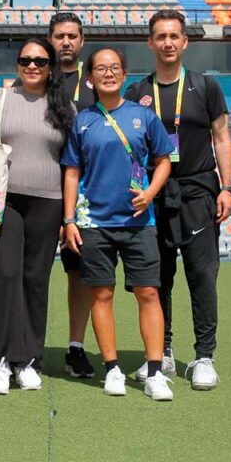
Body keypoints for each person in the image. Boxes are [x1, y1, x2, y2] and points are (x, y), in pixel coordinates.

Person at [124, 9, 231, 391]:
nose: (168, 42)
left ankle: (204, 356)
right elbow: (132, 148)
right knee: (158, 277)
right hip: (155, 195)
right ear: (150, 43)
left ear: (185, 42)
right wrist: (138, 190)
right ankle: (163, 351)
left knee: (202, 275)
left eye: (174, 36)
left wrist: (227, 187)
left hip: (198, 190)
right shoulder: (137, 91)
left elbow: (221, 137)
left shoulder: (206, 86)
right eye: (161, 36)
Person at [61, 47, 175, 401]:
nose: (108, 74)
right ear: (90, 79)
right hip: (94, 222)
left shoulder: (145, 116)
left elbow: (164, 159)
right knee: (102, 293)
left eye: (114, 68)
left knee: (149, 292)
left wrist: (152, 192)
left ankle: (155, 371)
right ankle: (112, 369)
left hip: (140, 221)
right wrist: (68, 220)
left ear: (124, 75)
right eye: (100, 69)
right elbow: (72, 171)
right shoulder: (82, 121)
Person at [0, 37, 74, 395]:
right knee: (6, 273)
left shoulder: (63, 107)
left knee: (35, 279)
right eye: (25, 60)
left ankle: (28, 359)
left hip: (49, 201)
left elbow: (72, 161)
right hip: (4, 199)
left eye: (41, 61)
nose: (32, 66)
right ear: (17, 64)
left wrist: (69, 215)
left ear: (50, 68)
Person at [47, 12, 98, 381]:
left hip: (80, 193)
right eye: (60, 36)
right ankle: (23, 345)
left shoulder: (96, 82)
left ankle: (75, 347)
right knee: (26, 271)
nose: (66, 41)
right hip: (37, 188)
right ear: (50, 39)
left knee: (79, 273)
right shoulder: (35, 76)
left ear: (82, 41)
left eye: (72, 36)